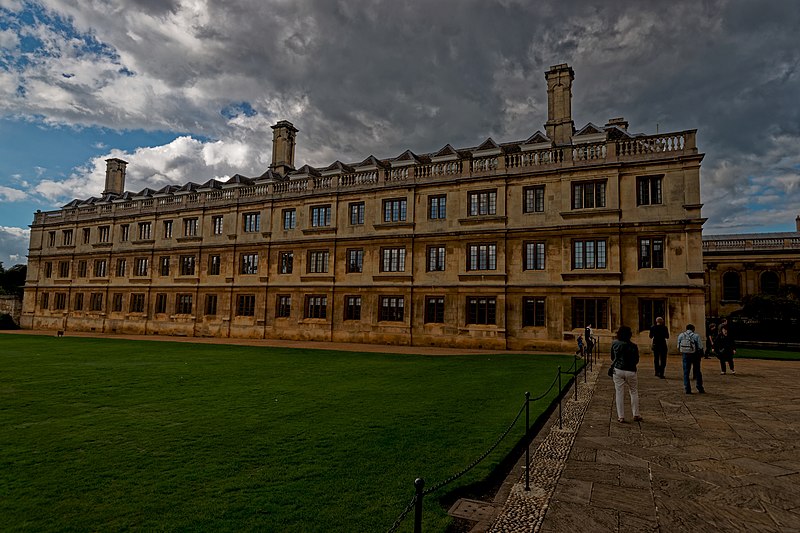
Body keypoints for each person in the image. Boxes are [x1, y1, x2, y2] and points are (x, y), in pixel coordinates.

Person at [610, 325, 641, 423]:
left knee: (619, 393)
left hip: (618, 370)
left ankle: (621, 416)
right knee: (634, 392)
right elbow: (636, 360)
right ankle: (636, 414)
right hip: (631, 370)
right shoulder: (633, 346)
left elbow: (612, 357)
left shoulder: (615, 344)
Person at [677, 324, 704, 394]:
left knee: (686, 372)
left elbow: (678, 346)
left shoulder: (681, 335)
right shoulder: (696, 336)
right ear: (693, 329)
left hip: (685, 354)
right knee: (697, 371)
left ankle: (687, 388)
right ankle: (699, 387)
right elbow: (700, 346)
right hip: (695, 355)